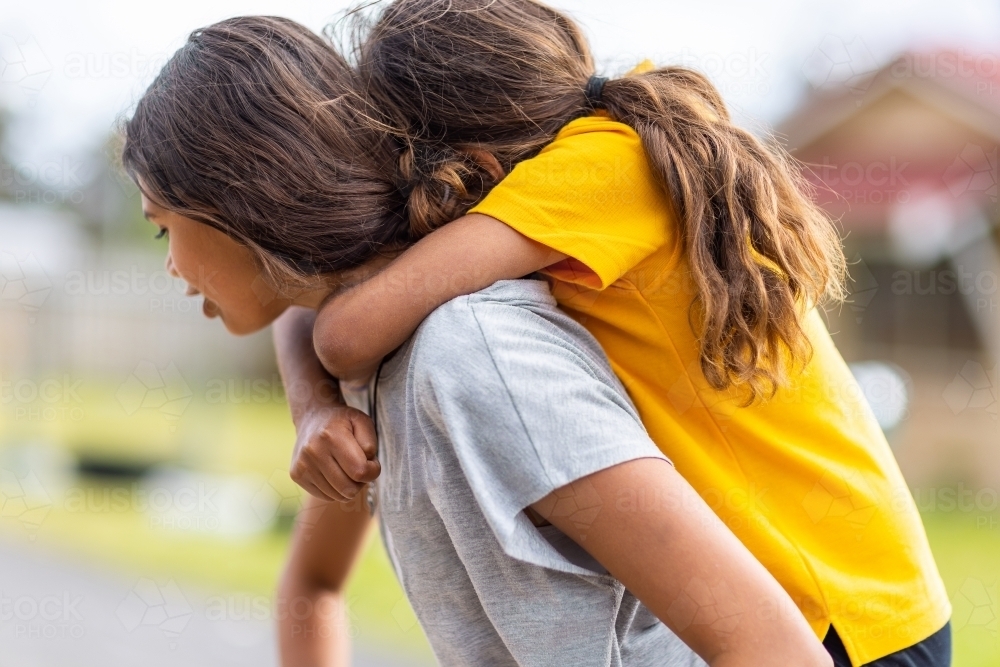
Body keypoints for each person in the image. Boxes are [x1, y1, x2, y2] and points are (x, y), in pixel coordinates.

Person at [121, 16, 831, 667]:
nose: (169, 264)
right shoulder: (371, 373)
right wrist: (312, 403)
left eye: (163, 225)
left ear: (242, 200)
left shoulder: (472, 356)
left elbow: (775, 650)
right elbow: (310, 584)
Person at [296, 2, 952, 665]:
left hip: (845, 613)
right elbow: (307, 299)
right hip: (869, 593)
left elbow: (346, 331)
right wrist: (312, 409)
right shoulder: (611, 142)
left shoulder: (595, 173)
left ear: (475, 163)